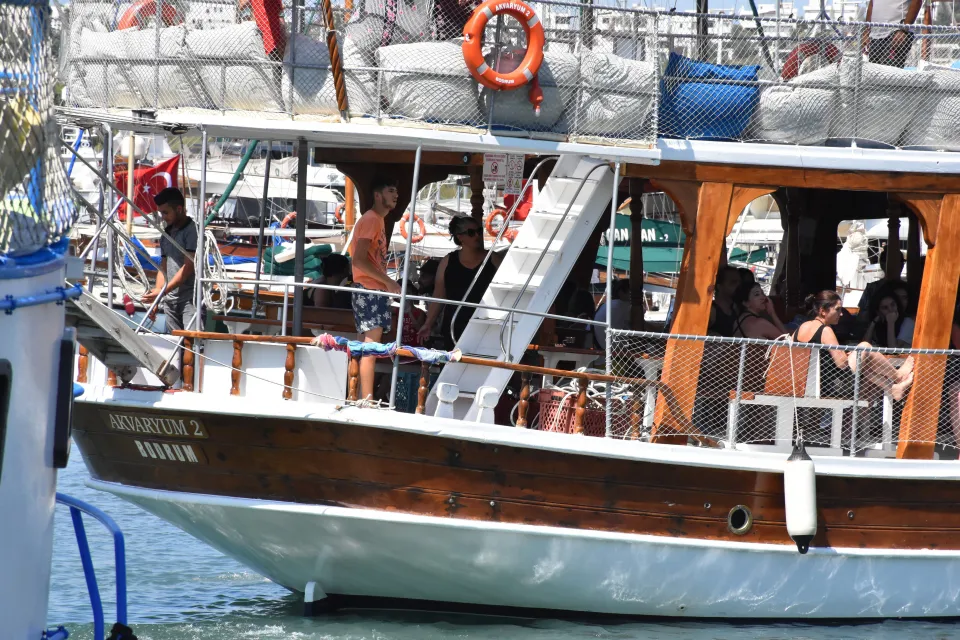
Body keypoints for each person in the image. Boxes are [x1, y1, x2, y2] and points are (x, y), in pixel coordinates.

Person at [796, 291, 914, 401]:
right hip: (833, 385)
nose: (841, 313)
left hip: (808, 384)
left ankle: (892, 389)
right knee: (864, 346)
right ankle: (898, 376)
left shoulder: (802, 327)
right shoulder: (825, 330)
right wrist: (848, 355)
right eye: (837, 309)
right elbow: (842, 363)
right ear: (823, 311)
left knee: (865, 361)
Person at [350, 177, 402, 400]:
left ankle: (356, 396)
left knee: (364, 346)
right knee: (371, 347)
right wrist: (388, 281)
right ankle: (367, 399)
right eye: (391, 190)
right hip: (370, 289)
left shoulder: (376, 220)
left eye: (396, 192)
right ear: (378, 195)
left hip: (368, 289)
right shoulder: (372, 219)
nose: (396, 195)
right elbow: (359, 260)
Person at [418, 216, 503, 350]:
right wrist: (428, 324)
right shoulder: (448, 261)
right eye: (471, 232)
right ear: (460, 237)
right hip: (455, 324)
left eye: (479, 231)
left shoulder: (493, 259)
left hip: (486, 323)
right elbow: (439, 295)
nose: (477, 235)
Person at [143, 188, 199, 333]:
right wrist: (157, 295)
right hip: (170, 301)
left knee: (192, 341)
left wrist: (161, 292)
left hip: (190, 301)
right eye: (161, 213)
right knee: (174, 342)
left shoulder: (193, 231)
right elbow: (163, 267)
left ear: (179, 209)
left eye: (166, 212)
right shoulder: (166, 234)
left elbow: (188, 268)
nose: (163, 217)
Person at [856, 247, 903, 335]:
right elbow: (862, 316)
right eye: (893, 263)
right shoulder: (872, 287)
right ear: (882, 265)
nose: (899, 266)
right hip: (877, 331)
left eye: (900, 263)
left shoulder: (906, 287)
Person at [866, 0, 922, 68]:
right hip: (874, 36)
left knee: (889, 72)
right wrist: (867, 32)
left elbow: (917, 1)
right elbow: (872, 3)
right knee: (874, 72)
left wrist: (903, 30)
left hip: (895, 33)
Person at [863, 282, 914, 348]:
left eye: (893, 305)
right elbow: (865, 345)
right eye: (885, 308)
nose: (891, 310)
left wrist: (891, 323)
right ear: (879, 312)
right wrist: (873, 322)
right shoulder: (881, 323)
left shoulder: (907, 322)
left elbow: (893, 350)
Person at [593, 278, 631, 350]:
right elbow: (641, 324)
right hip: (615, 350)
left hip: (603, 346)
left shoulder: (608, 304)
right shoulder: (623, 305)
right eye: (632, 292)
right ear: (621, 292)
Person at [709, 266, 741, 337]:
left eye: (739, 282)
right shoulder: (712, 311)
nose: (738, 286)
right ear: (719, 287)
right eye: (733, 282)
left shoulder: (736, 310)